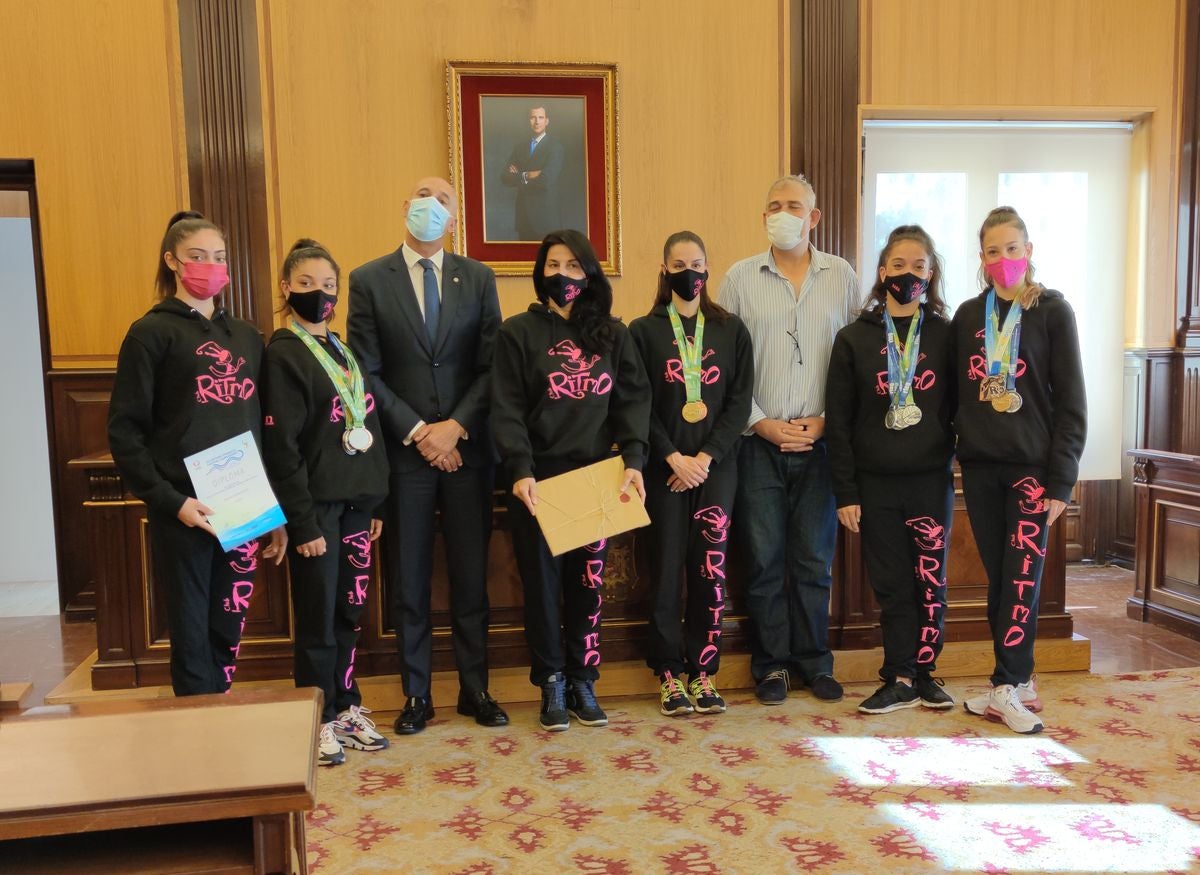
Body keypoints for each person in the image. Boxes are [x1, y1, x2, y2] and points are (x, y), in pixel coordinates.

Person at [347, 176, 506, 735]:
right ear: (404, 206)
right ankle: (416, 694)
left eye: (442, 199)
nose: (429, 206)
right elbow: (364, 370)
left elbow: (492, 367)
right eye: (421, 195)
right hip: (404, 455)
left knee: (470, 577)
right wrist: (420, 432)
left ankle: (475, 688)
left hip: (467, 452)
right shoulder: (368, 279)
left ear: (455, 218)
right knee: (409, 580)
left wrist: (455, 427)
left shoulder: (479, 278)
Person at [108, 210, 285, 697]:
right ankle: (198, 730)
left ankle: (218, 708)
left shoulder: (248, 337)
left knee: (230, 621)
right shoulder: (150, 333)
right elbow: (125, 431)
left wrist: (274, 510)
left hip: (244, 503)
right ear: (172, 261)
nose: (211, 266)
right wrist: (171, 501)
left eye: (220, 257)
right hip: (186, 508)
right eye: (197, 256)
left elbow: (261, 425)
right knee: (190, 626)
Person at [491, 229, 650, 731]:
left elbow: (633, 401)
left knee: (587, 586)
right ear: (541, 273)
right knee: (540, 588)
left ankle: (584, 678)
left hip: (596, 478)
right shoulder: (516, 334)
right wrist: (519, 468)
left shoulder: (612, 333)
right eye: (554, 265)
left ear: (590, 274)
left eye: (575, 266)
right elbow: (507, 408)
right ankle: (552, 682)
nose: (563, 275)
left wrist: (635, 459)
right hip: (536, 484)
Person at [718, 174, 859, 706]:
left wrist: (825, 419)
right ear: (763, 217)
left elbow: (854, 361)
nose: (783, 213)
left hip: (823, 443)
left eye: (793, 206)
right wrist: (758, 422)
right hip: (758, 443)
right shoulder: (737, 278)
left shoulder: (841, 277)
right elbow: (723, 368)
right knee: (764, 560)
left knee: (813, 560)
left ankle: (813, 662)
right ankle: (772, 665)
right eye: (773, 205)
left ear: (813, 218)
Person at [954, 206, 1086, 734]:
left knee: (1023, 579)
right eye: (992, 251)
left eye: (1012, 248)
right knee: (1001, 579)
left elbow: (1072, 401)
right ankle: (1018, 680)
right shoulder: (968, 316)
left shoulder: (1053, 311)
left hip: (1034, 469)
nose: (1003, 259)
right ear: (981, 258)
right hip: (983, 468)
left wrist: (1062, 479)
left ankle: (1005, 685)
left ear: (1028, 251)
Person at [263, 239, 391, 766]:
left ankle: (345, 706)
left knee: (348, 612)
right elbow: (282, 446)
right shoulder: (284, 353)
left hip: (358, 507)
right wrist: (302, 520)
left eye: (329, 285)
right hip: (316, 513)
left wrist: (377, 500)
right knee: (316, 618)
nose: (320, 294)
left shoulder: (344, 350)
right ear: (287, 288)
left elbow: (369, 424)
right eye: (308, 284)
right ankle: (312, 717)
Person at [824, 225, 957, 715]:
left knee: (930, 579)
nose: (908, 274)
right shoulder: (853, 339)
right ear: (882, 273)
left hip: (929, 481)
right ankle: (898, 675)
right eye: (898, 265)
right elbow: (838, 423)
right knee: (893, 584)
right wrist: (846, 492)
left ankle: (925, 672)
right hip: (874, 485)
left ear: (931, 273)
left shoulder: (947, 336)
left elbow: (963, 408)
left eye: (919, 265)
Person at [629, 231, 753, 717]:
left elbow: (740, 401)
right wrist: (671, 457)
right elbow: (637, 404)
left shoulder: (729, 329)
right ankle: (667, 675)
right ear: (664, 271)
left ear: (708, 268)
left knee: (710, 568)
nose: (689, 272)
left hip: (715, 469)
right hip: (664, 471)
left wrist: (705, 459)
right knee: (663, 570)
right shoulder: (643, 331)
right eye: (679, 264)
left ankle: (703, 672)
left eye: (697, 263)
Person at [499, 105, 565, 241]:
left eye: (541, 117)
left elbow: (546, 181)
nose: (537, 121)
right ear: (528, 120)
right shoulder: (520, 148)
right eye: (533, 117)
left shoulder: (555, 147)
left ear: (547, 121)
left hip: (545, 220)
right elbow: (505, 177)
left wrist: (518, 177)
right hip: (523, 218)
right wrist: (527, 175)